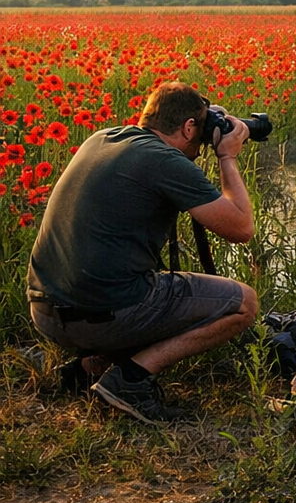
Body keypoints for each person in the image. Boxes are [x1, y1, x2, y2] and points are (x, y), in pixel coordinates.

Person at [27, 82, 259, 423]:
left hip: (45, 312)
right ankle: (131, 381)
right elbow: (242, 229)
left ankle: (90, 368)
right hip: (98, 319)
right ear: (189, 127)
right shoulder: (164, 160)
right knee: (244, 303)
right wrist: (227, 156)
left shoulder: (102, 138)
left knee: (143, 288)